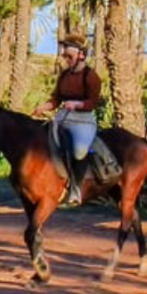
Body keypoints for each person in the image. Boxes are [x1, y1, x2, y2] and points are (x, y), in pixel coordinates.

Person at [33, 33, 101, 205]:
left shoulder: (91, 76)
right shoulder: (64, 75)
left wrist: (77, 104)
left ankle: (76, 188)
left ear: (81, 55)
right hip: (63, 116)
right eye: (64, 56)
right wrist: (44, 107)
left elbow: (93, 102)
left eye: (69, 56)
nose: (66, 59)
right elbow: (56, 99)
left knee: (79, 150)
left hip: (84, 120)